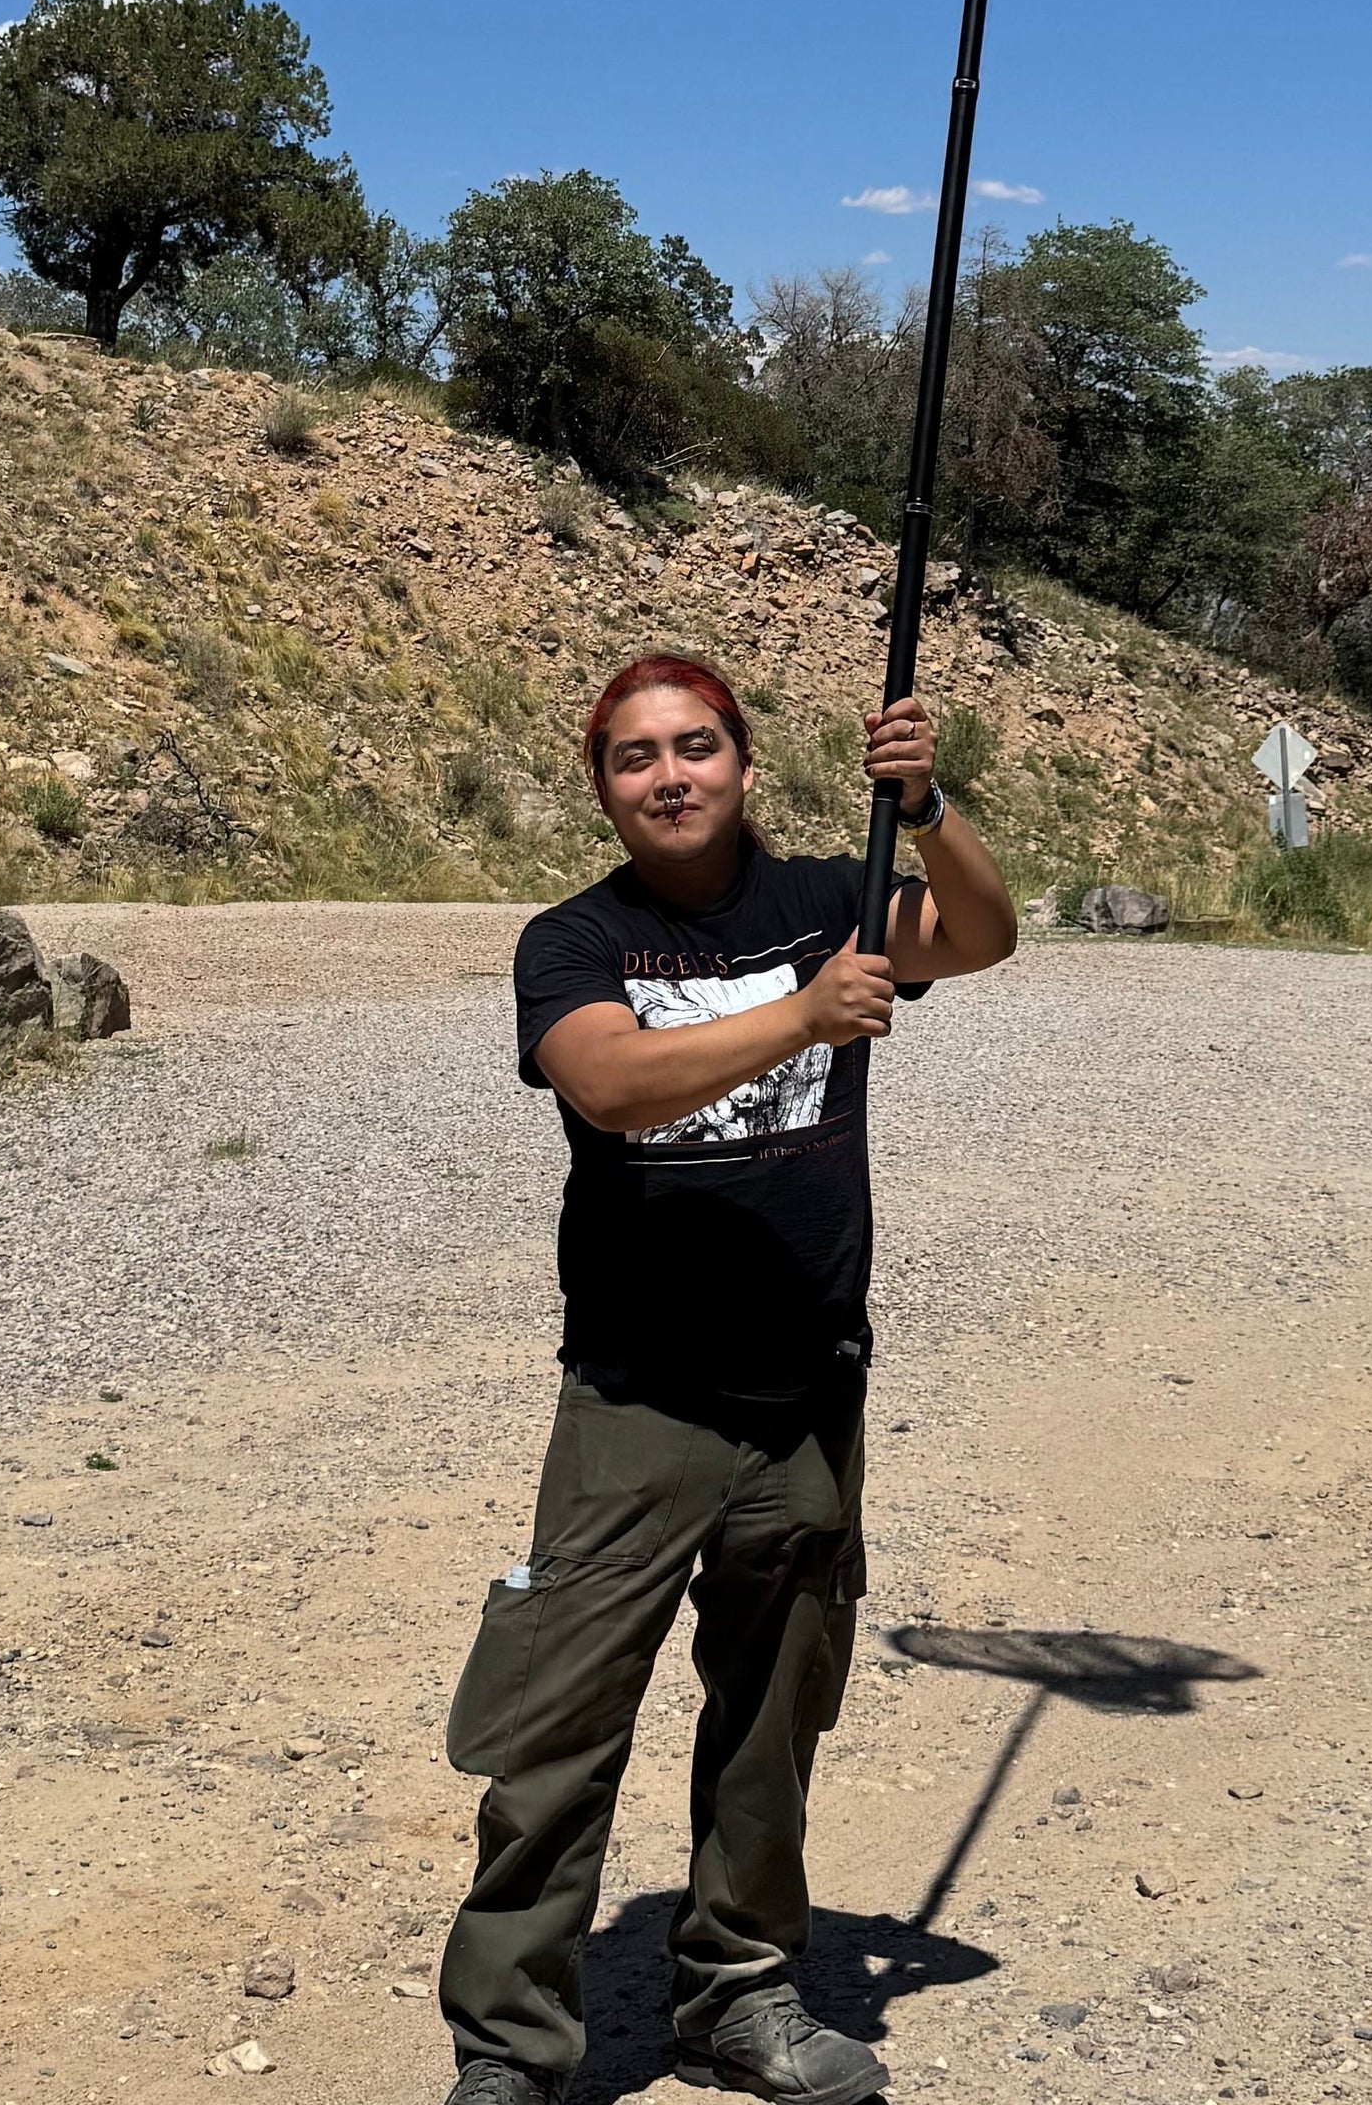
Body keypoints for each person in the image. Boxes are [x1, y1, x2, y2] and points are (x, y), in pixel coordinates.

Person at [436, 650, 1021, 2105]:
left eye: (696, 745)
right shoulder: (573, 940)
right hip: (640, 1399)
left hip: (807, 1393)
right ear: (604, 790)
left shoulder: (834, 893)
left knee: (771, 1722)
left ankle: (740, 1996)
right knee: (559, 1734)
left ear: (746, 762)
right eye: (637, 758)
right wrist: (804, 1018)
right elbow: (614, 1085)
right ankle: (512, 2050)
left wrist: (930, 803)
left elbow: (985, 935)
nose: (672, 774)